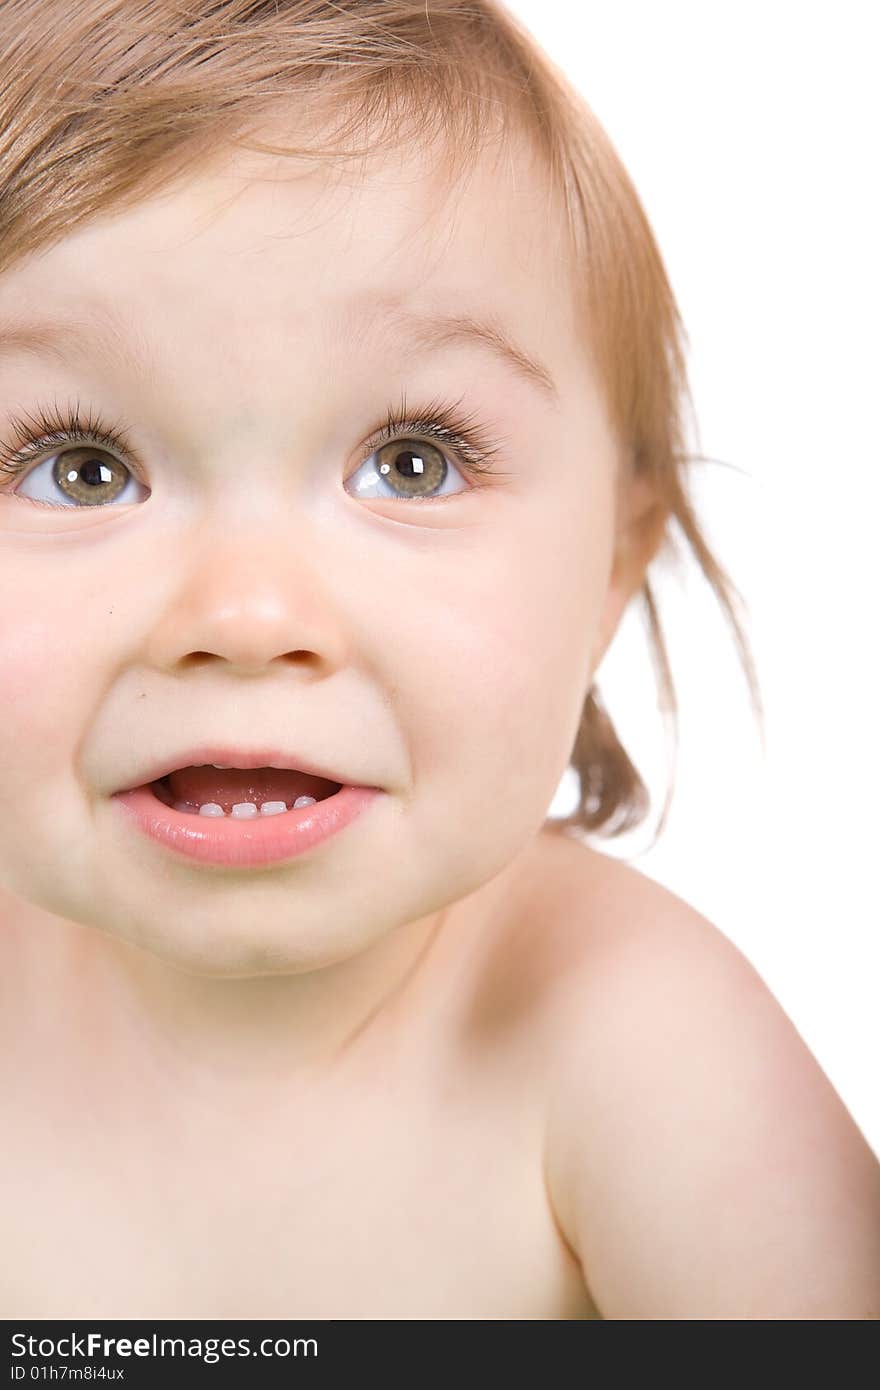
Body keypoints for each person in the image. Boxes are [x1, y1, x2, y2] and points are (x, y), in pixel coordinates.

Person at [0, 0, 877, 1320]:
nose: (244, 614)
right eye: (81, 468)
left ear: (613, 568)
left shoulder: (640, 1055)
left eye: (411, 460)